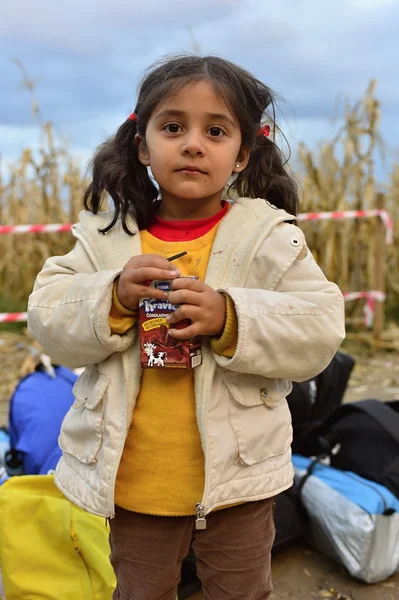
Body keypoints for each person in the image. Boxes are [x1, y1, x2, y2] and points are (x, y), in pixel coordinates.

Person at [28, 55, 345, 600]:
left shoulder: (269, 239)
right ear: (143, 145)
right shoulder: (104, 242)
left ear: (242, 153)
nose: (194, 144)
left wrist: (231, 316)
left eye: (215, 131)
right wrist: (112, 297)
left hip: (238, 481)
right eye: (173, 127)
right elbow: (48, 315)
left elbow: (319, 328)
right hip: (135, 480)